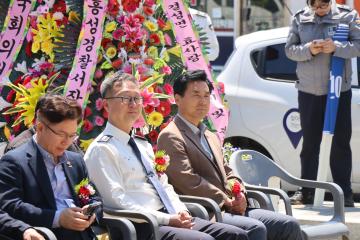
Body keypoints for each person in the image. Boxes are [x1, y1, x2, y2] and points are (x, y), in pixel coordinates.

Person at [84, 72, 250, 240]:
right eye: (125, 98)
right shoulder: (102, 150)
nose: (133, 104)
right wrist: (168, 219)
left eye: (137, 98)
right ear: (106, 105)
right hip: (140, 226)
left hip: (168, 217)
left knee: (236, 235)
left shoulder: (143, 144)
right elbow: (117, 202)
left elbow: (163, 185)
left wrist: (181, 211)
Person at [157, 70, 304, 240]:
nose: (203, 101)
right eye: (196, 95)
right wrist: (226, 199)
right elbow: (188, 181)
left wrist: (239, 192)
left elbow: (227, 172)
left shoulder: (209, 135)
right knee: (254, 228)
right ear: (177, 98)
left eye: (206, 95)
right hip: (205, 210)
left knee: (288, 224)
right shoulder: (171, 135)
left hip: (228, 206)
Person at [285, 0, 360, 207]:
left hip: (338, 90)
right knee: (309, 144)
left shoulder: (347, 16)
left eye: (323, 6)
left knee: (340, 144)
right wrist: (310, 49)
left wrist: (337, 47)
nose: (319, 10)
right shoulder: (300, 17)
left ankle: (344, 192)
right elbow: (290, 50)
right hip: (309, 91)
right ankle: (306, 191)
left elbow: (358, 46)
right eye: (315, 6)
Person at [0, 95, 101, 240]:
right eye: (61, 134)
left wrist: (91, 213)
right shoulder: (14, 161)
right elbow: (10, 206)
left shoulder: (75, 160)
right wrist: (58, 218)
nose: (67, 142)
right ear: (40, 127)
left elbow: (95, 197)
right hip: (48, 234)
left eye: (72, 135)